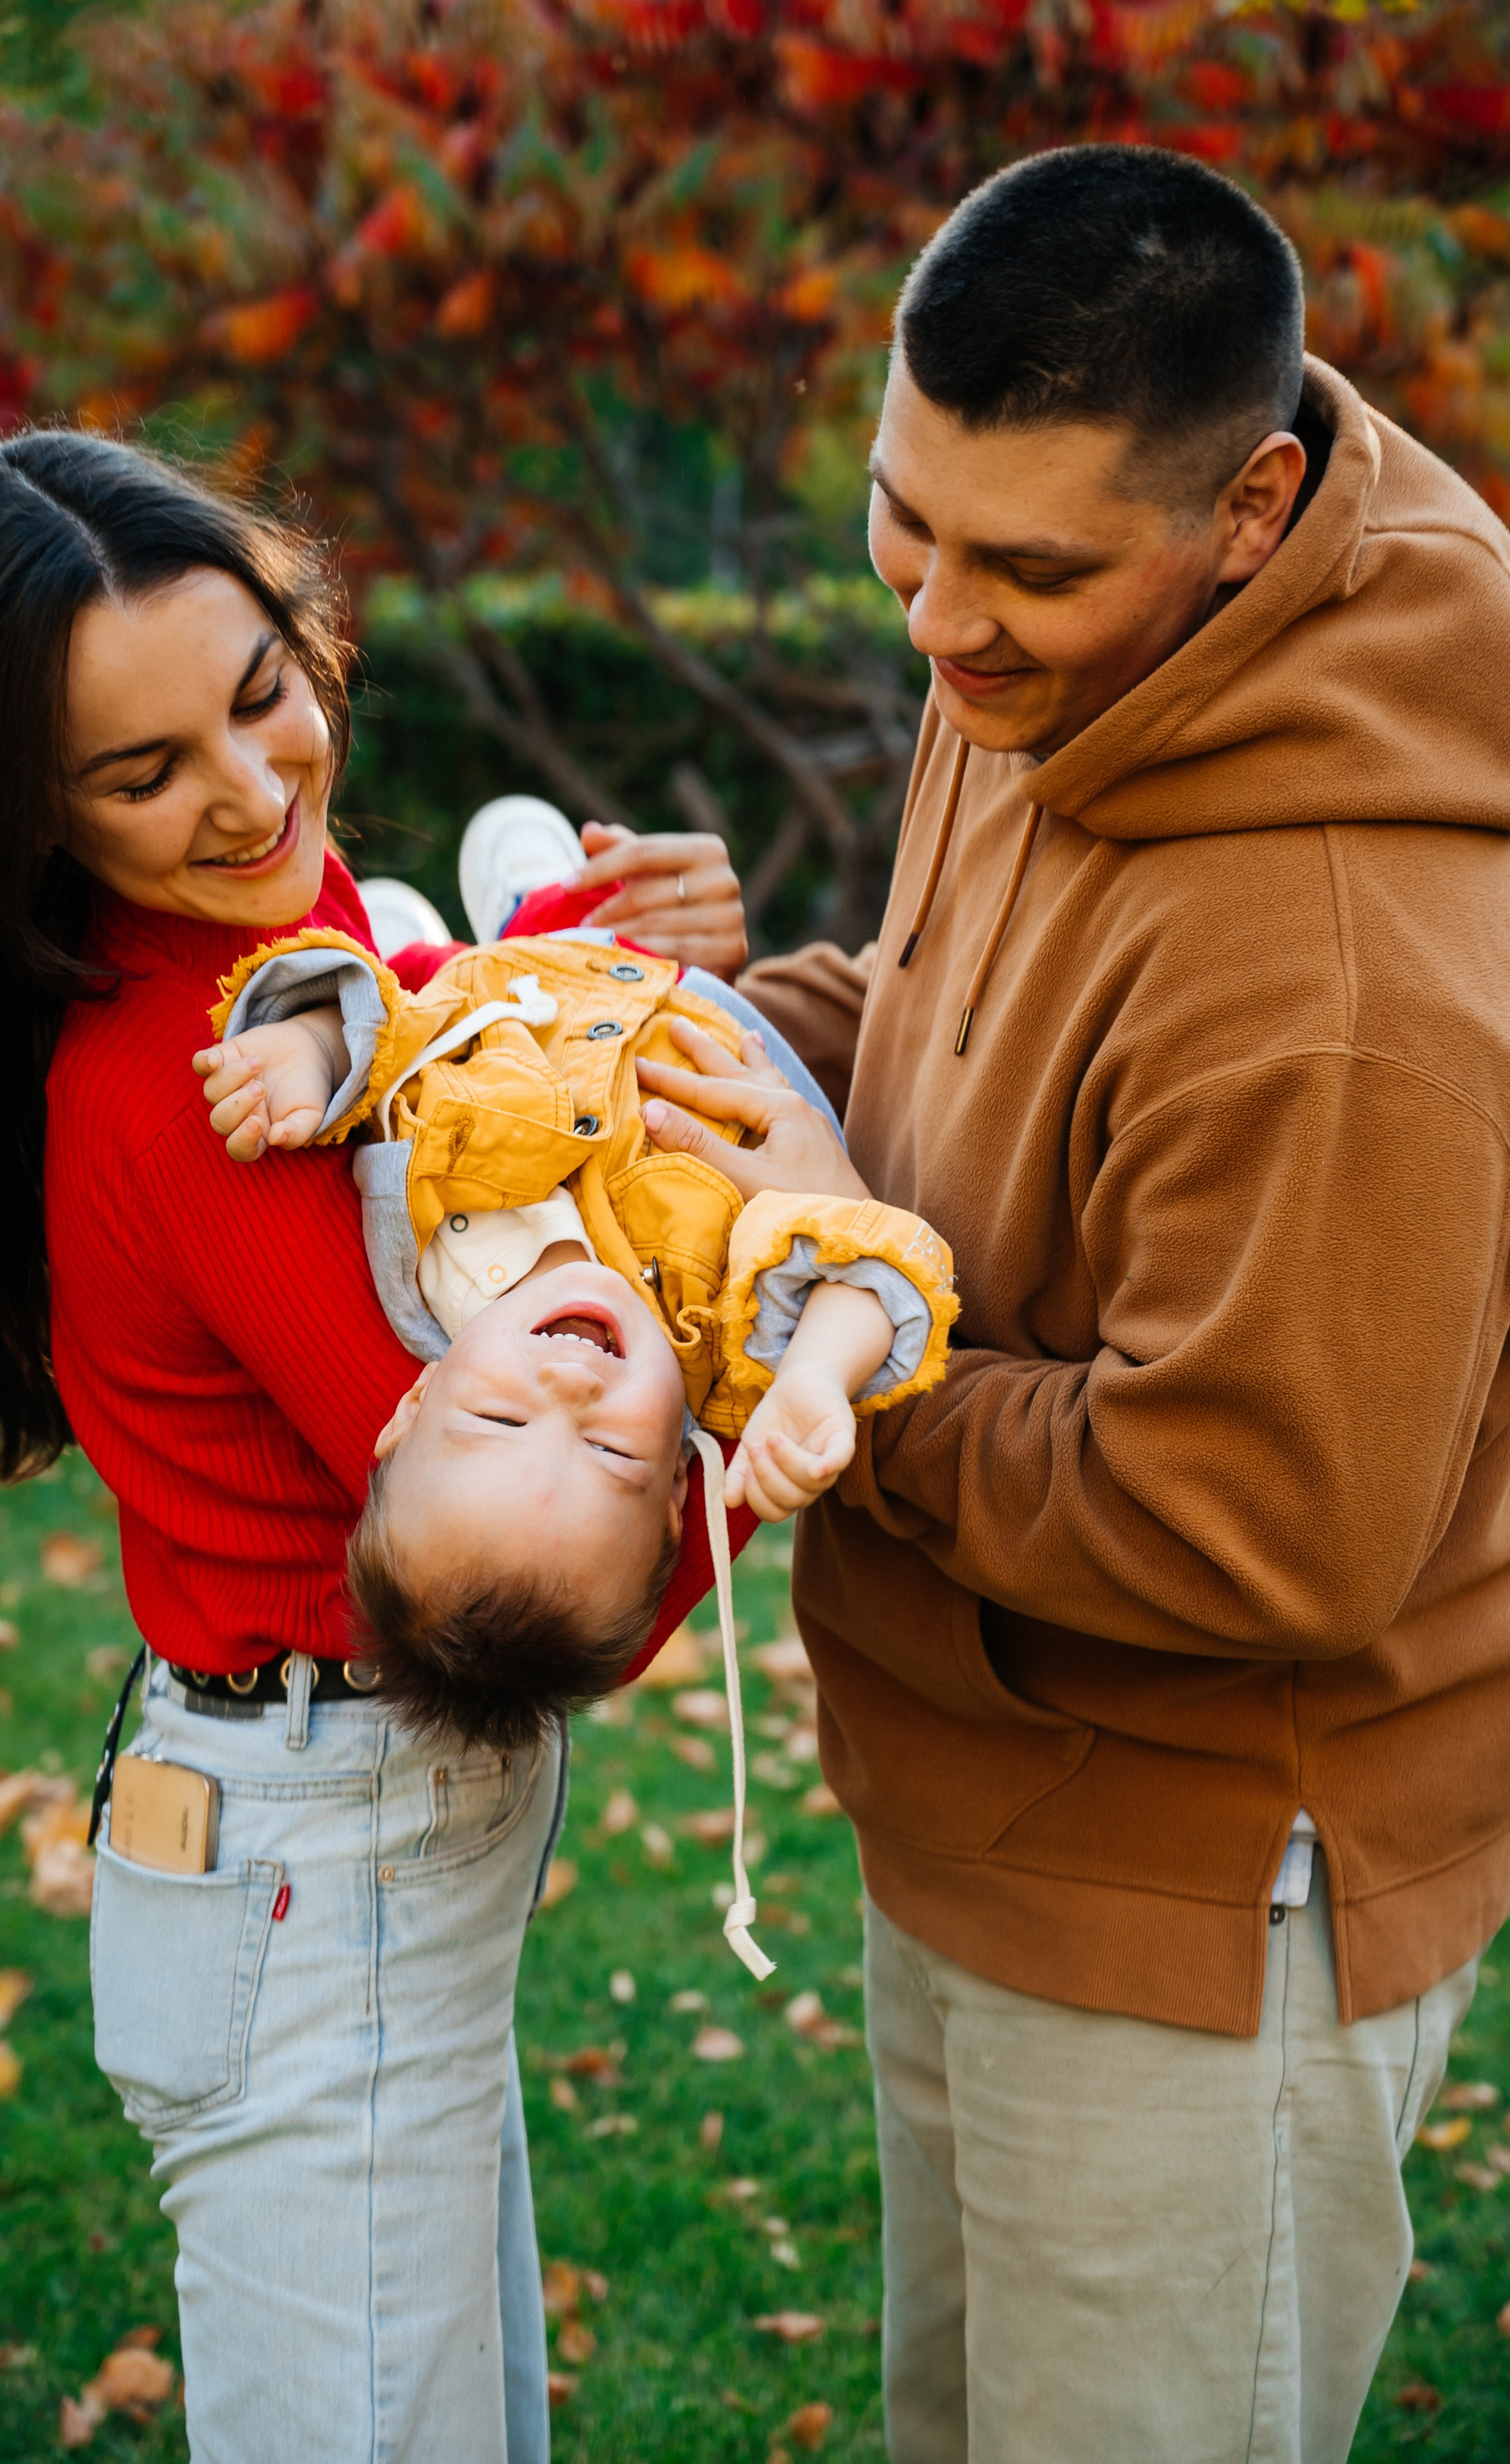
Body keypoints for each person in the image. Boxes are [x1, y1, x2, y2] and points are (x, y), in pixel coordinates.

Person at [722, 145, 1510, 2464]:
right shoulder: (1072, 642)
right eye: (907, 522)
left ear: (1256, 510)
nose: (937, 625)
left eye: (1024, 568)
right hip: (973, 1787)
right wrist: (725, 1044)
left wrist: (829, 1336)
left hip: (1191, 1908)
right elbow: (947, 1015)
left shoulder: (1346, 972)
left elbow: (1258, 1526)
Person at [0, 428, 749, 2463]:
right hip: (315, 1856)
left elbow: (452, 1043)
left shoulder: (272, 960)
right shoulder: (201, 1081)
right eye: (141, 772)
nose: (253, 794)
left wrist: (620, 965)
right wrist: (780, 1408)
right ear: (33, 816)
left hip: (336, 1829)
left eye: (262, 694)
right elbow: (534, 1511)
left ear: (303, 624)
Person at [187, 911, 954, 1760]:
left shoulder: (409, 1228)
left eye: (500, 1423)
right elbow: (877, 1268)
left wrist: (317, 1053)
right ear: (673, 1493)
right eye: (612, 1455)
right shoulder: (721, 1335)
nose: (571, 1390)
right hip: (682, 1002)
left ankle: (512, 899)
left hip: (525, 974)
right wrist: (814, 1372)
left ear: (415, 1403)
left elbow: (396, 1033)